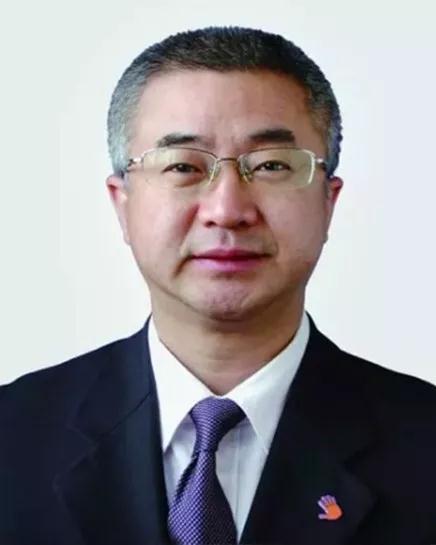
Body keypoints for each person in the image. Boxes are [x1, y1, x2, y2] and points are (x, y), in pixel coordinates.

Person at [1, 26, 435, 545]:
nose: (227, 210)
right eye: (184, 166)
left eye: (271, 165)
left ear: (328, 202)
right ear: (122, 204)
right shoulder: (13, 436)